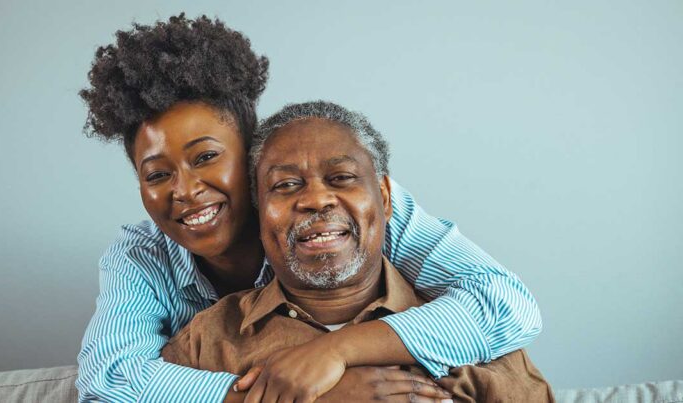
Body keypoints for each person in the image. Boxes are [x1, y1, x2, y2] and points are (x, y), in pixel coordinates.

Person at [76, 14, 542, 403]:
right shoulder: (142, 258)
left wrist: (336, 353)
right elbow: (108, 379)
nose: (186, 189)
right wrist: (308, 396)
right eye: (157, 174)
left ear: (254, 155)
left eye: (207, 157)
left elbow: (506, 305)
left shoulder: (353, 209)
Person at [161, 100, 554, 403]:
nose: (316, 199)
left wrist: (338, 352)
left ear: (384, 197)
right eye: (285, 185)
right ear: (258, 212)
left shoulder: (480, 341)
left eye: (341, 178)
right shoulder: (206, 343)